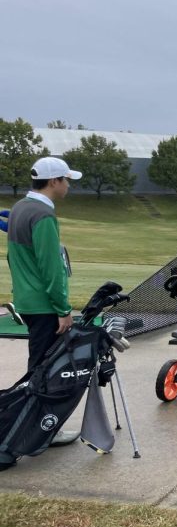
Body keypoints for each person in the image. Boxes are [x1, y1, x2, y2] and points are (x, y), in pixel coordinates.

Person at [5, 157, 84, 446]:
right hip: (44, 305)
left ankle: (33, 424)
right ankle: (39, 428)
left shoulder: (20, 208)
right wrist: (63, 309)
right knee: (44, 370)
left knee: (38, 364)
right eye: (66, 180)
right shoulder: (43, 216)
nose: (68, 186)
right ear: (54, 182)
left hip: (27, 301)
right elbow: (51, 269)